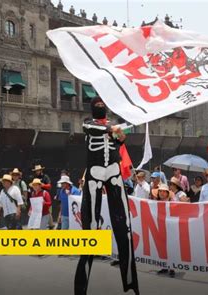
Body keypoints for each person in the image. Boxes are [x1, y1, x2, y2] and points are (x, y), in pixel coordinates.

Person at [77, 96, 139, 294]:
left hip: (113, 171)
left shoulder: (113, 125)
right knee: (91, 228)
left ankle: (130, 282)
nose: (100, 107)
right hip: (94, 173)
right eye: (97, 105)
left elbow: (120, 141)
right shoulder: (88, 123)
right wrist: (112, 129)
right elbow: (91, 129)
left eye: (102, 105)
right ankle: (81, 287)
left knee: (124, 226)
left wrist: (120, 134)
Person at [155, 184, 176, 277]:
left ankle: (172, 268)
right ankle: (164, 266)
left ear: (167, 193)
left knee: (171, 248)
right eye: (160, 191)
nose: (162, 193)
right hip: (160, 228)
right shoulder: (155, 203)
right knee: (162, 248)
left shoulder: (173, 202)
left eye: (164, 191)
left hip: (171, 228)